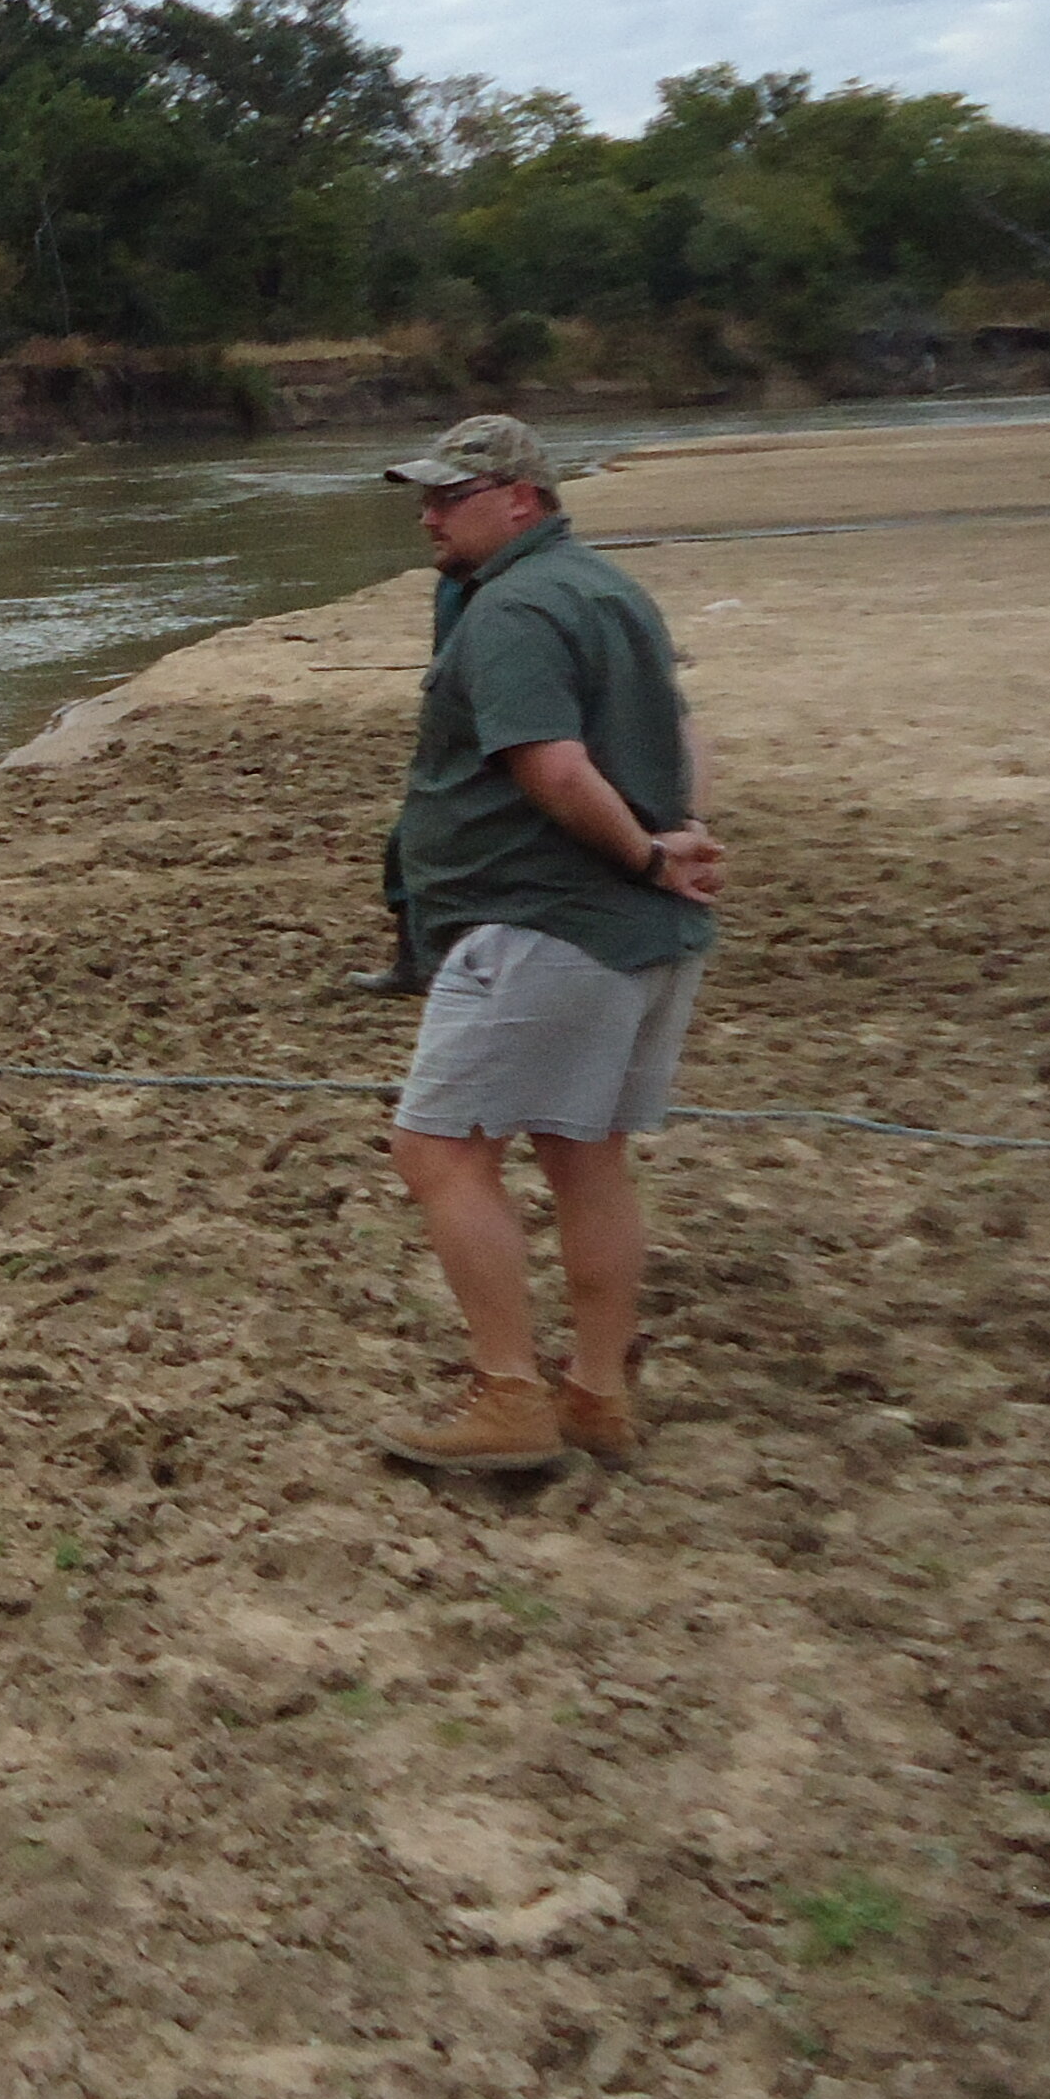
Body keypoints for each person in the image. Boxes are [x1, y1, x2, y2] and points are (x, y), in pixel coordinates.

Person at [368, 415, 724, 1474]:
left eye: (449, 495)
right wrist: (677, 839)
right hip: (634, 932)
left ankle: (510, 1397)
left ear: (521, 497)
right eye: (425, 496)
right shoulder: (609, 589)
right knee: (586, 1155)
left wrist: (649, 857)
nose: (427, 514)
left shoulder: (513, 607)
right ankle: (597, 1395)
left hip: (547, 924)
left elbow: (551, 765)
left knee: (436, 1147)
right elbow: (682, 730)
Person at [348, 563, 477, 993]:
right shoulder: (452, 585)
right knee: (406, 847)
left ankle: (438, 963)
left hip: (486, 740)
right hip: (452, 737)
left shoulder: (498, 592)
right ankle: (415, 962)